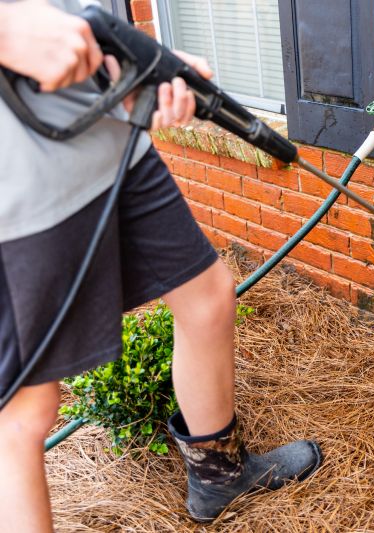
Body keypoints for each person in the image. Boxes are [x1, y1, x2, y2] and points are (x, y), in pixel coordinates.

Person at [0, 0, 322, 529]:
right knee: (23, 413)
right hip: (17, 175)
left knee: (207, 298)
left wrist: (124, 67)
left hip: (110, 138)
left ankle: (219, 475)